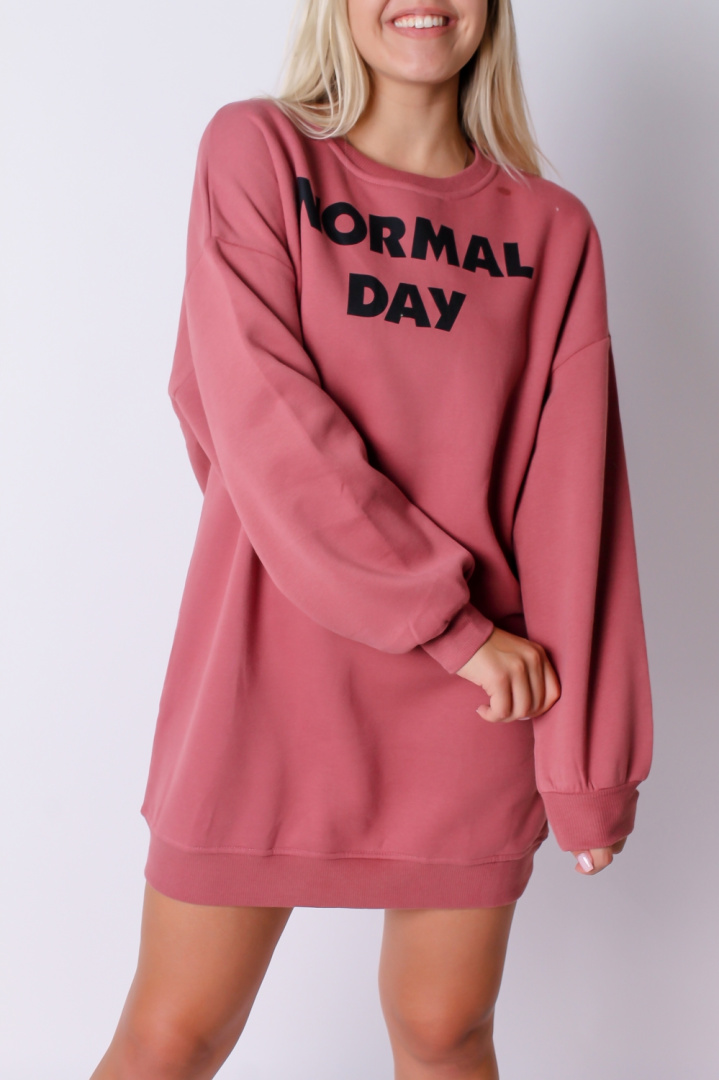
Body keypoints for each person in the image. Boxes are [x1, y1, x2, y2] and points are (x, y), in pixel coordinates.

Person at [90, 1, 654, 1077]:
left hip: (478, 699)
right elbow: (253, 423)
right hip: (269, 674)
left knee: (446, 1035)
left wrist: (588, 762)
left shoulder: (551, 231)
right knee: (171, 1036)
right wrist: (435, 619)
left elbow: (576, 505)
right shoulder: (258, 153)